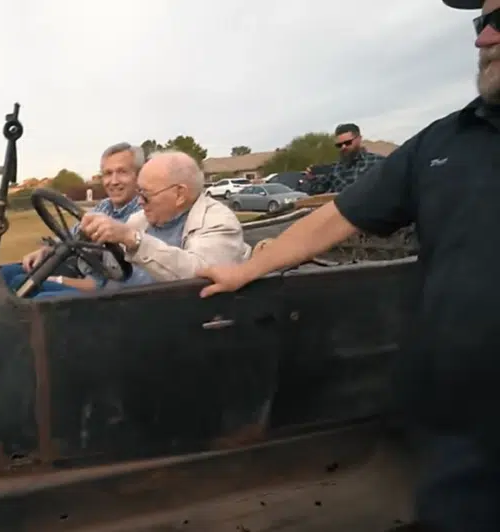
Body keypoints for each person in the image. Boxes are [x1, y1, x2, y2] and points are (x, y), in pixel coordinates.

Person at [197, 2, 500, 529]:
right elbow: (339, 216)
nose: (483, 40)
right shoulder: (442, 142)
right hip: (460, 420)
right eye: (481, 23)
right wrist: (248, 269)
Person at [0, 142, 147, 298]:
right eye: (108, 173)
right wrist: (46, 250)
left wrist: (58, 280)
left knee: (29, 289)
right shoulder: (104, 207)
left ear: (138, 175)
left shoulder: (144, 216)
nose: (114, 181)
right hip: (79, 270)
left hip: (108, 295)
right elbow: (72, 235)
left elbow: (109, 283)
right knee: (6, 274)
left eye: (122, 172)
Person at [79, 150, 251, 281]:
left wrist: (133, 240)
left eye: (146, 194)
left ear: (180, 195)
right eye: (138, 192)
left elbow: (200, 276)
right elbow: (115, 269)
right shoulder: (140, 220)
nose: (139, 202)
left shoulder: (219, 222)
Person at [306, 123, 386, 194]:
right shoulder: (334, 169)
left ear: (359, 139)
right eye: (339, 145)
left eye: (347, 143)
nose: (343, 147)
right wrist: (312, 179)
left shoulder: (378, 163)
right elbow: (316, 193)